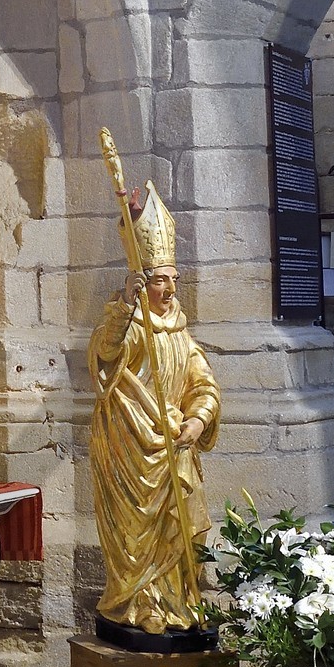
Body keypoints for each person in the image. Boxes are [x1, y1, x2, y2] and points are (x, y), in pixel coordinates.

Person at [87, 180, 221, 638]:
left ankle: (179, 601)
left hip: (174, 449)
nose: (169, 289)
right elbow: (106, 355)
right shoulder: (131, 324)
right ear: (143, 283)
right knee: (134, 536)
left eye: (173, 280)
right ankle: (140, 605)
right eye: (159, 280)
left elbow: (204, 385)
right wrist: (126, 305)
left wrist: (199, 418)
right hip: (129, 451)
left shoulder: (180, 333)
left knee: (185, 532)